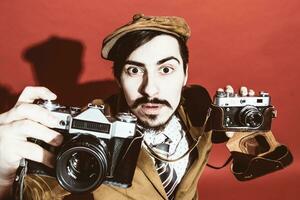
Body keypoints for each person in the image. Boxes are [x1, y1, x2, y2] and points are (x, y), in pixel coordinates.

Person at [0, 14, 259, 200]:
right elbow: (38, 192)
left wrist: (247, 130)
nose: (150, 89)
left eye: (166, 69)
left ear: (185, 75)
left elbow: (258, 163)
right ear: (118, 80)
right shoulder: (93, 130)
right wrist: (2, 179)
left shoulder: (198, 104)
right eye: (134, 70)